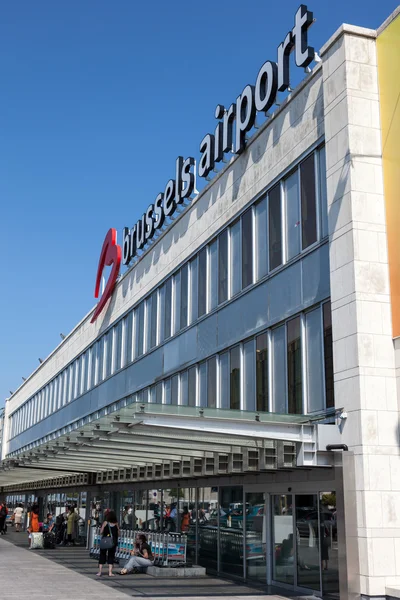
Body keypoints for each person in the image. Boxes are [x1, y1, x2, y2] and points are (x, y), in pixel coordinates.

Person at [97, 510, 119, 577]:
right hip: (113, 542)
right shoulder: (116, 524)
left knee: (102, 555)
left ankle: (100, 572)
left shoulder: (105, 523)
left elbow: (101, 532)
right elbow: (118, 533)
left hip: (105, 541)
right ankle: (110, 572)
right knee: (111, 556)